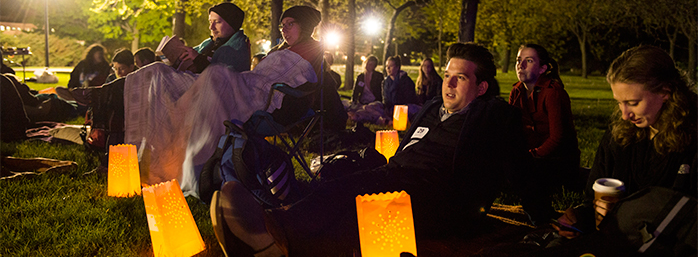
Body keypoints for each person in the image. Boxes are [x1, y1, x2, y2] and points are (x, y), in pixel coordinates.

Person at [210, 43, 554, 256]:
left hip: (441, 195)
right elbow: (405, 148)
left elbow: (519, 168)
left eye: (460, 78)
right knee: (343, 185)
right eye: (447, 74)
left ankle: (273, 227)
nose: (448, 83)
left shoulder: (493, 116)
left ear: (480, 88)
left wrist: (542, 217)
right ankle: (279, 226)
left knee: (352, 193)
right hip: (400, 175)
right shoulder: (434, 108)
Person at [551, 46, 697, 252]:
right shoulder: (620, 134)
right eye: (619, 103)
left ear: (665, 92)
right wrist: (580, 219)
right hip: (614, 240)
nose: (624, 115)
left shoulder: (692, 137)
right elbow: (592, 199)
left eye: (633, 103)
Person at [509, 44, 580, 193]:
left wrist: (529, 156)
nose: (520, 65)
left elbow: (557, 139)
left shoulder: (552, 92)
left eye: (529, 61)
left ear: (542, 68)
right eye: (518, 60)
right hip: (529, 155)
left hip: (556, 158)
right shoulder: (516, 91)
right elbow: (511, 130)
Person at [268, 5, 347, 131]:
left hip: (285, 106)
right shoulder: (280, 51)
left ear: (304, 27)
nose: (283, 30)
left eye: (290, 24)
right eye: (282, 25)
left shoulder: (310, 51)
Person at [180, 2, 251, 73]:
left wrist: (197, 59)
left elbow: (222, 77)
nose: (211, 27)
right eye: (210, 22)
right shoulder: (209, 43)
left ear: (232, 24)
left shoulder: (237, 49)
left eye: (217, 22)